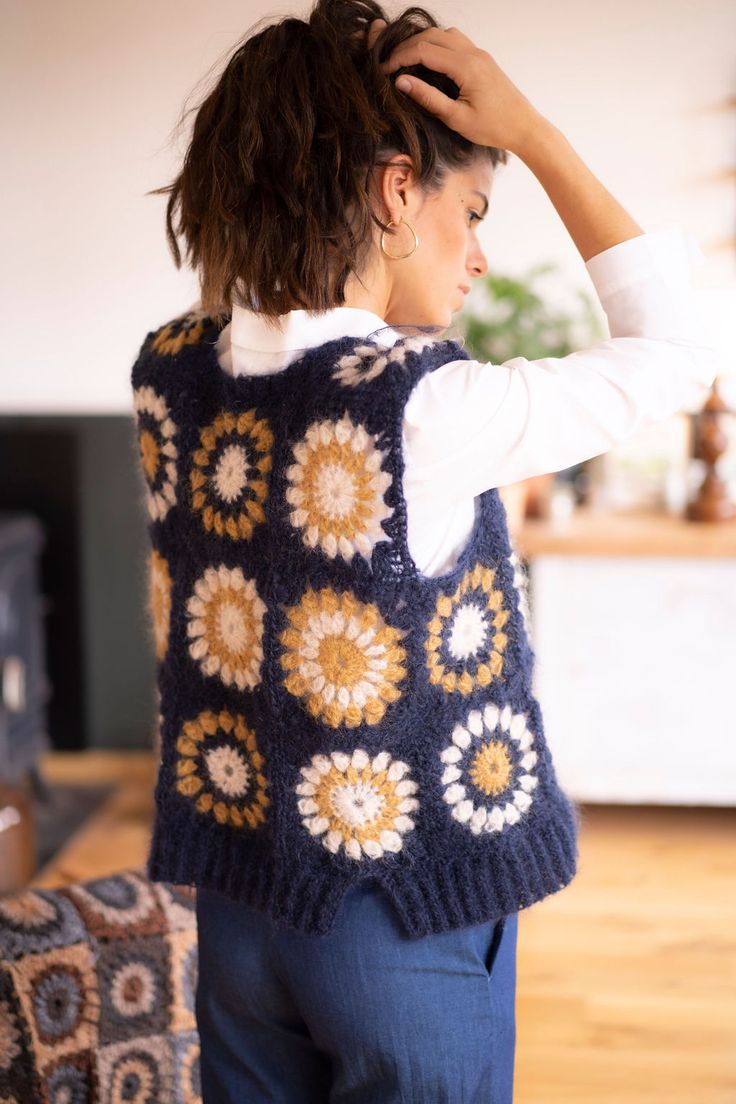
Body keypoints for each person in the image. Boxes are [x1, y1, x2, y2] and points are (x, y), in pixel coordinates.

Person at [131, 2, 717, 1100]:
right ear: (398, 191)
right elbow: (680, 353)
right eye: (474, 209)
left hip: (241, 910)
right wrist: (533, 130)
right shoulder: (420, 408)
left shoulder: (172, 369)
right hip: (396, 922)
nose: (482, 258)